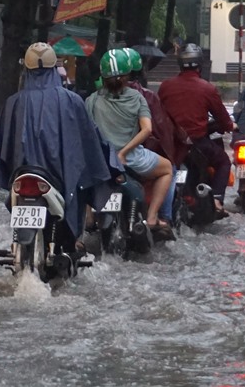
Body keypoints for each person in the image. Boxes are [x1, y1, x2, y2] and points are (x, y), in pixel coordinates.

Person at [0, 42, 112, 250]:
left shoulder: (13, 102)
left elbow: (2, 145)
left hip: (23, 174)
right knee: (82, 183)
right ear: (54, 68)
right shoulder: (73, 101)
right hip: (60, 177)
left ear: (26, 69)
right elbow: (90, 141)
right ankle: (74, 240)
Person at [86, 47, 176, 241]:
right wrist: (125, 151)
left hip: (101, 161)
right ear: (128, 74)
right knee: (168, 168)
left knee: (83, 180)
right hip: (131, 159)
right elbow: (147, 130)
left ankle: (88, 217)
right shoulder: (138, 97)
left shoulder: (92, 100)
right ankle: (152, 217)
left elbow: (85, 132)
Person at [157, 44, 235, 217]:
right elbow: (223, 118)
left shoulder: (165, 87)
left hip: (172, 145)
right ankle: (216, 200)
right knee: (223, 162)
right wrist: (231, 126)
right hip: (198, 144)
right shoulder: (207, 88)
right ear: (200, 64)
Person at [123, 47, 183, 226]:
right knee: (169, 169)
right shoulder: (145, 96)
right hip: (135, 157)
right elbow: (161, 131)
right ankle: (160, 217)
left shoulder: (97, 97)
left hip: (106, 156)